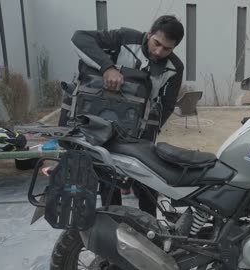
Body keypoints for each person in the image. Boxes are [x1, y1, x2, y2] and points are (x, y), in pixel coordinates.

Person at [69, 15, 185, 217]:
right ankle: (112, 224)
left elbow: (167, 106)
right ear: (150, 33)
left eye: (167, 48)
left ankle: (150, 229)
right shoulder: (124, 38)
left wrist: (149, 131)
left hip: (141, 133)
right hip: (106, 125)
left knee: (148, 181)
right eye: (156, 43)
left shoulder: (175, 67)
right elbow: (79, 38)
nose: (159, 51)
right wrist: (107, 67)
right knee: (108, 179)